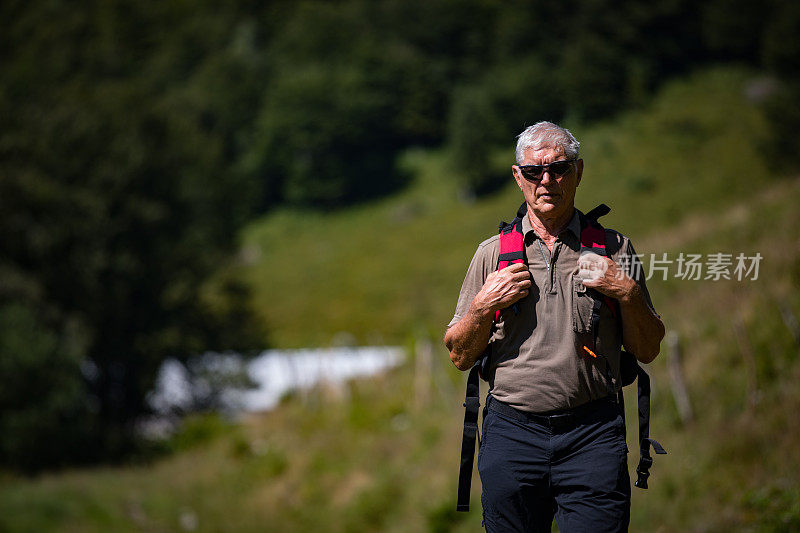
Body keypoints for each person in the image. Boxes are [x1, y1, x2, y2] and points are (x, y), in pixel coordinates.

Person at [444, 121, 665, 532]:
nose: (547, 181)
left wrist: (627, 292)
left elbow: (648, 349)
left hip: (593, 434)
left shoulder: (616, 249)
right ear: (518, 177)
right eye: (533, 172)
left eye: (559, 168)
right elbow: (458, 354)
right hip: (512, 434)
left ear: (578, 172)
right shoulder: (490, 255)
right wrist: (481, 306)